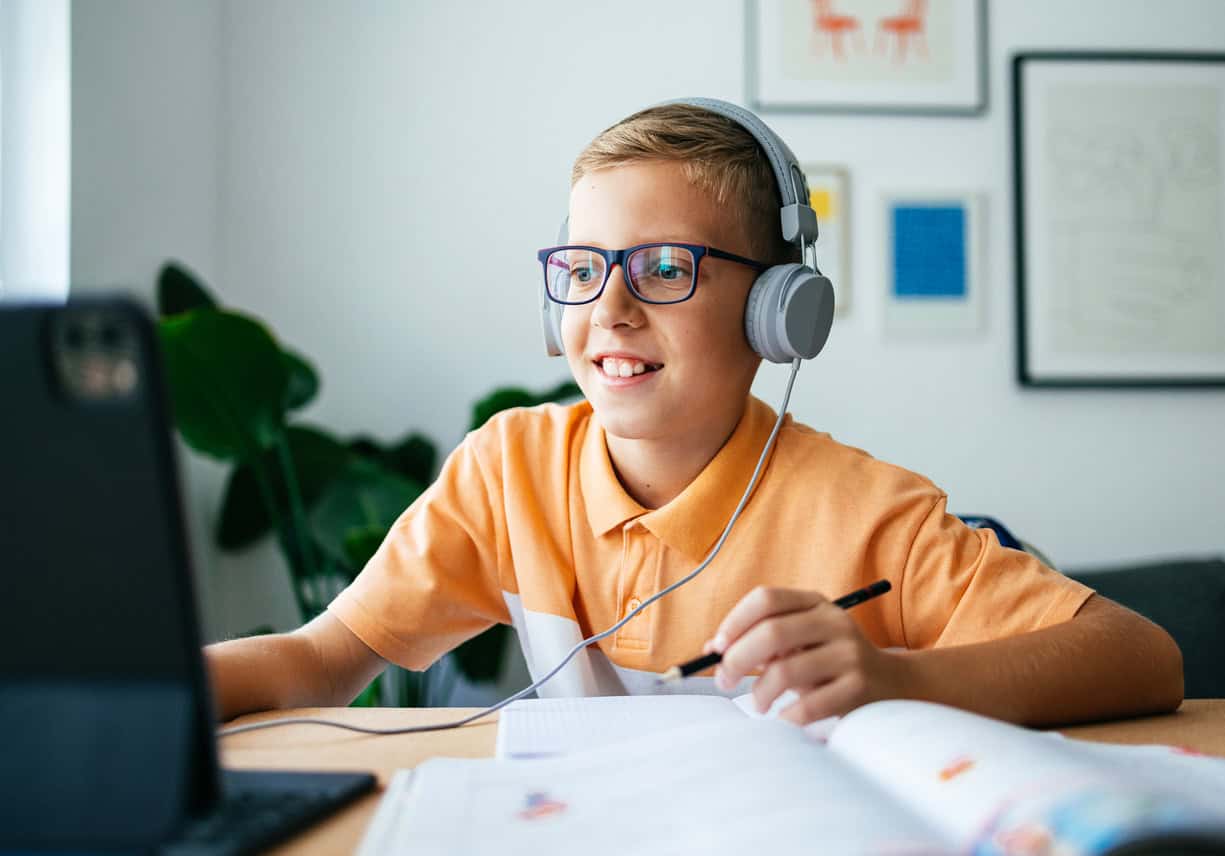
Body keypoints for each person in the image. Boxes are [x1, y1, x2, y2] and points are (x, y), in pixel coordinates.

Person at [205, 101, 1183, 728]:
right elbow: (320, 658)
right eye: (583, 269)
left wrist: (897, 679)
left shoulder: (867, 511)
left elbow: (1141, 656)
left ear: (779, 311)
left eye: (666, 267)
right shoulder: (508, 468)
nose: (609, 309)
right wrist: (139, 689)